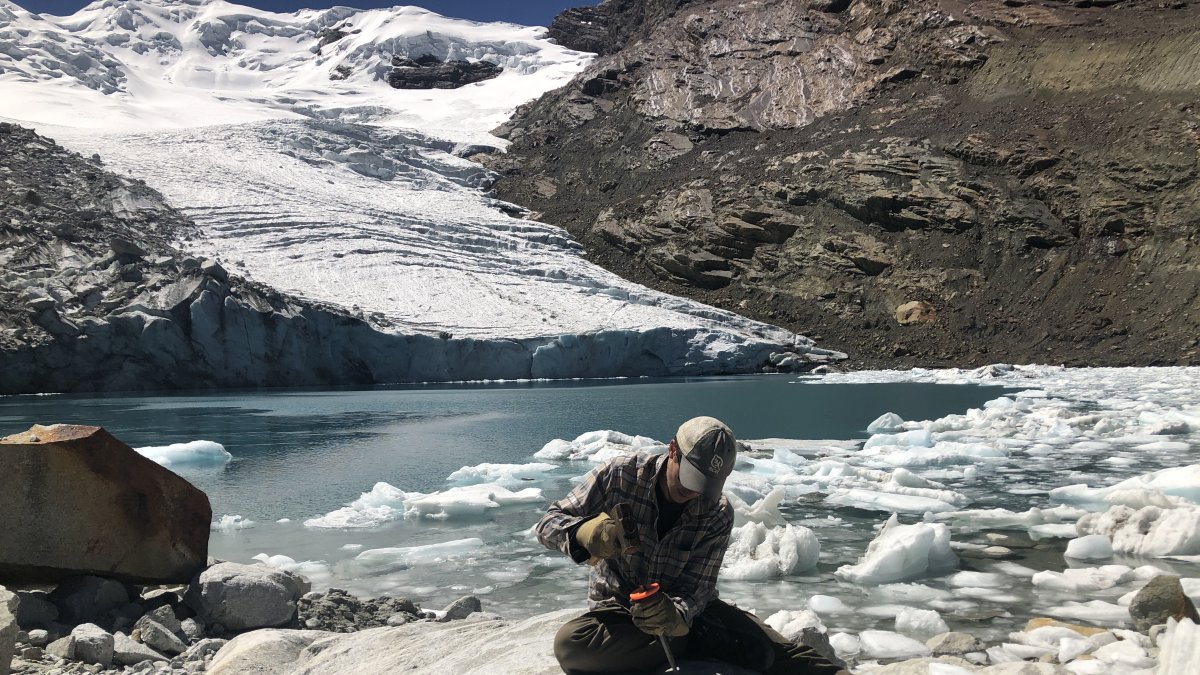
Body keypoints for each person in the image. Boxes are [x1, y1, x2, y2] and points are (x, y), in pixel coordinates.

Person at [536, 416, 844, 674]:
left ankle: (685, 641)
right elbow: (548, 523)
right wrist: (581, 533)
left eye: (706, 485)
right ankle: (691, 644)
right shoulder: (619, 475)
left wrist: (676, 615)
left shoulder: (717, 511)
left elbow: (698, 587)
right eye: (690, 478)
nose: (695, 493)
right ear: (672, 450)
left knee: (771, 652)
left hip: (690, 615)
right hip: (620, 614)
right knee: (571, 645)